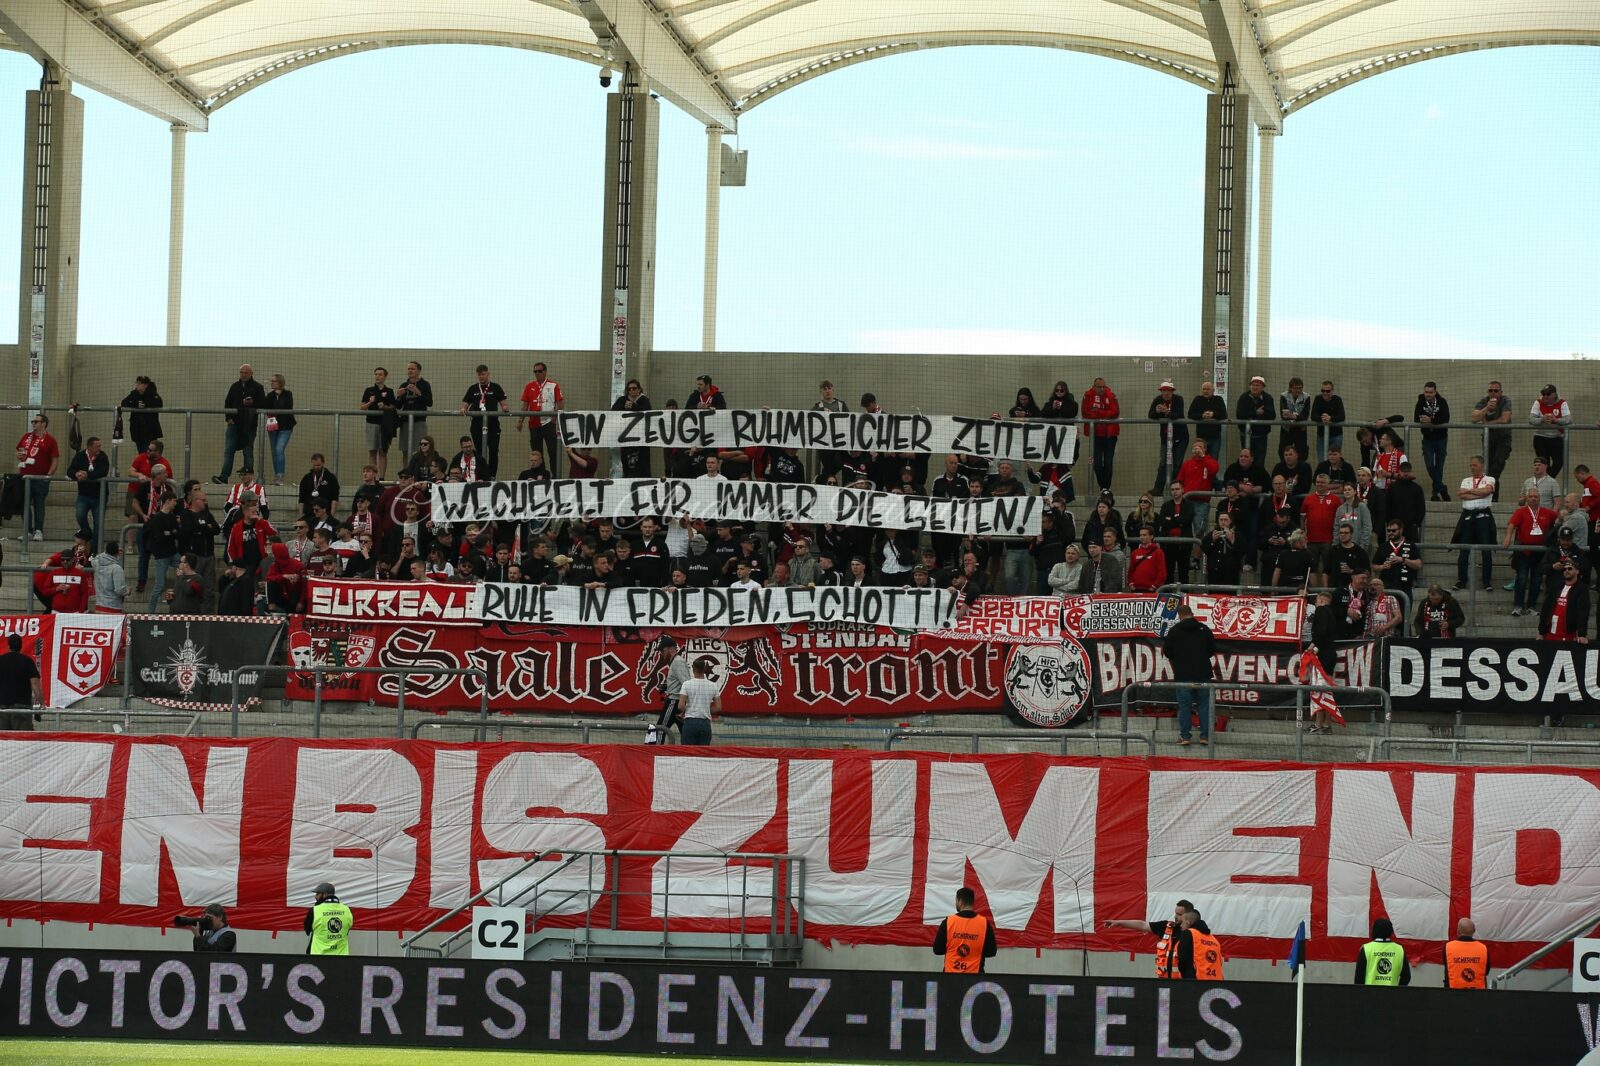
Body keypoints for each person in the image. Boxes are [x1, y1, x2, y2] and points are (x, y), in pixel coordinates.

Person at [1162, 605, 1216, 745]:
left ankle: (1185, 737)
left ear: (1179, 615)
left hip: (1183, 675)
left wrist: (1180, 659)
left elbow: (1167, 651)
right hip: (1203, 673)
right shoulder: (1204, 629)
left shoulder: (1174, 631)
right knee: (1204, 706)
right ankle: (1205, 737)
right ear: (1192, 613)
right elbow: (1212, 649)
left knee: (1185, 707)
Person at [1104, 899, 1193, 979]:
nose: (1176, 916)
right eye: (1175, 913)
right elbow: (1143, 925)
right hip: (1163, 983)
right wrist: (1118, 922)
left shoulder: (1194, 934)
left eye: (1179, 914)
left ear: (1188, 916)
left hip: (1184, 984)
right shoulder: (1166, 927)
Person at [214, 364, 266, 484]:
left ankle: (248, 478)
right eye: (242, 372)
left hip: (249, 425)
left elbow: (263, 403)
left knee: (247, 451)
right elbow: (227, 402)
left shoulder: (258, 387)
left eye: (246, 372)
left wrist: (252, 403)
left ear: (251, 373)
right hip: (234, 424)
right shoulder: (234, 386)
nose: (243, 374)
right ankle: (223, 477)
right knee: (228, 450)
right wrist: (228, 418)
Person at [13, 413, 60, 540]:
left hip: (40, 479)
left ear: (43, 424)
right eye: (32, 421)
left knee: (39, 504)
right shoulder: (26, 436)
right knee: (25, 504)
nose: (33, 423)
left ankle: (39, 530)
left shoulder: (50, 440)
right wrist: (19, 455)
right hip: (25, 477)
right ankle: (27, 531)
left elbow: (55, 460)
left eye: (36, 421)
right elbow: (19, 451)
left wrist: (48, 476)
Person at [458, 364, 509, 479]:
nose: (481, 377)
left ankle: (491, 475)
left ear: (488, 374)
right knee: (480, 452)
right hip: (477, 425)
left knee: (493, 450)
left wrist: (505, 408)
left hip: (493, 425)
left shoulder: (496, 387)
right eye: (479, 375)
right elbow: (465, 404)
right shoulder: (473, 389)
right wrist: (463, 409)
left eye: (483, 374)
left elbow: (504, 403)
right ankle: (481, 474)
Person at [1455, 455, 1497, 591]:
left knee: (1486, 550)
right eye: (1471, 465)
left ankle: (1487, 582)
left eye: (1475, 465)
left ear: (1482, 465)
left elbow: (1487, 491)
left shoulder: (1489, 479)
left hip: (1483, 517)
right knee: (1463, 551)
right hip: (1467, 518)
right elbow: (1462, 495)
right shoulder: (1466, 480)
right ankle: (1461, 581)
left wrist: (1471, 492)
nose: (1472, 467)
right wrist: (1478, 493)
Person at [932, 886, 997, 974]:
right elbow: (991, 952)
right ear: (972, 902)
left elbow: (938, 950)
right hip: (975, 979)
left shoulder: (948, 922)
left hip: (950, 976)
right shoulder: (984, 923)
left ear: (960, 901)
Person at [1470, 380, 1514, 496]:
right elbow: (1474, 418)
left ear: (1501, 392)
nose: (1493, 393)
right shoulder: (1484, 402)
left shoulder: (1505, 401)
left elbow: (1505, 419)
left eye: (1496, 390)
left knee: (1497, 467)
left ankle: (1492, 497)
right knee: (1488, 470)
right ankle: (1492, 498)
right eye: (1491, 390)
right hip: (1488, 440)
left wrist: (1487, 423)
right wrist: (1486, 409)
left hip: (1503, 439)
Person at [67, 436, 111, 548]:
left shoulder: (103, 456)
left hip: (99, 495)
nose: (99, 448)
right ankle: (88, 534)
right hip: (84, 495)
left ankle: (95, 548)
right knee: (80, 515)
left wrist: (87, 474)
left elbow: (103, 471)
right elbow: (70, 470)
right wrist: (76, 474)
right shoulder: (80, 456)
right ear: (89, 447)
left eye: (100, 446)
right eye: (97, 446)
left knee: (98, 522)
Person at [1081, 378, 1120, 493]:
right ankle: (1103, 487)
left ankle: (1105, 489)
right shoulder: (1088, 395)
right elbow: (1085, 413)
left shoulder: (1111, 395)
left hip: (1110, 435)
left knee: (1108, 463)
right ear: (1094, 386)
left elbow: (1115, 412)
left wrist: (1097, 412)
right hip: (1096, 436)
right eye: (1099, 387)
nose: (1102, 389)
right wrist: (1104, 414)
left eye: (1103, 386)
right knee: (1096, 464)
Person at [1148, 380, 1187, 493]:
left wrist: (1166, 412)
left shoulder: (1178, 399)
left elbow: (1178, 414)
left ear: (1172, 392)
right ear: (1161, 392)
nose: (1166, 393)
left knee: (1177, 464)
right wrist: (1156, 410)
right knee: (1163, 463)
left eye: (1168, 391)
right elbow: (1150, 415)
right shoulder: (1158, 400)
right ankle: (1158, 488)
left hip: (1181, 436)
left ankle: (1173, 489)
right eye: (1164, 391)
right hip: (1166, 437)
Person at [360, 366, 398, 481]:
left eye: (380, 374)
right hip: (371, 423)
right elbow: (362, 407)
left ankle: (381, 478)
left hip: (384, 424)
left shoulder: (389, 391)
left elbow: (393, 406)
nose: (377, 376)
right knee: (372, 451)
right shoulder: (369, 390)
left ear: (385, 377)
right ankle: (372, 476)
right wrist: (370, 402)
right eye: (376, 374)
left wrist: (385, 407)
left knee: (383, 451)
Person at [1414, 382, 1451, 500]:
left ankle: (1435, 493)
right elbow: (1416, 418)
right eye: (1426, 392)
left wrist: (1431, 420)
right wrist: (1422, 419)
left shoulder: (1442, 402)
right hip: (1428, 439)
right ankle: (1442, 488)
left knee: (1439, 467)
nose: (1428, 395)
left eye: (1430, 392)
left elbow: (1445, 418)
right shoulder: (1421, 402)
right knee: (1430, 465)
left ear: (1435, 392)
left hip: (1441, 439)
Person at [1539, 560, 1590, 644]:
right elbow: (1545, 609)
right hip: (1549, 636)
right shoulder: (1556, 586)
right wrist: (1541, 632)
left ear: (1577, 571)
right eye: (1564, 569)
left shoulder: (1582, 589)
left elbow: (1583, 612)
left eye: (1570, 569)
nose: (1566, 571)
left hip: (1568, 638)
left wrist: (1582, 634)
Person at [611, 379, 653, 478]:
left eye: (634, 388)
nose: (632, 390)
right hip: (626, 438)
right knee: (627, 463)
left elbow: (647, 412)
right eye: (629, 389)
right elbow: (613, 411)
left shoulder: (644, 400)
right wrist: (624, 407)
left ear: (639, 390)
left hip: (641, 439)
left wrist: (634, 406)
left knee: (642, 463)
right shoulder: (622, 399)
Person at [0, 634, 42, 731]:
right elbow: (35, 685)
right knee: (23, 742)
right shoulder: (27, 662)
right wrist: (42, 703)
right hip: (22, 709)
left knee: (2, 741)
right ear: (21, 646)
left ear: (8, 646)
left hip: (1, 708)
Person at [1529, 383, 1571, 476]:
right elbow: (1531, 419)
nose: (1545, 396)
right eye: (1544, 394)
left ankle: (1546, 481)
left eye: (1548, 394)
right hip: (1540, 437)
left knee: (1559, 463)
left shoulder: (1562, 403)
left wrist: (1556, 420)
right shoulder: (1538, 402)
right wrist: (1542, 419)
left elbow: (1568, 419)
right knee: (1543, 464)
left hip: (1557, 437)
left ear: (1554, 394)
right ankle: (1546, 483)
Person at [1355, 917, 1411, 986]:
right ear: (1391, 931)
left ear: (1374, 931)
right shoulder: (1399, 949)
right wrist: (1397, 992)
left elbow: (1358, 979)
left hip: (1369, 994)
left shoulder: (1366, 948)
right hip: (1391, 995)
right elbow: (1406, 977)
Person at [263, 372, 296, 485]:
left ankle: (280, 476)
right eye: (271, 381)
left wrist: (275, 401)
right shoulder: (270, 395)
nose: (272, 383)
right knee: (274, 452)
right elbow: (266, 407)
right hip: (273, 427)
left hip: (285, 427)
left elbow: (286, 406)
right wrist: (267, 394)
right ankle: (277, 475)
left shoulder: (287, 394)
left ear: (280, 382)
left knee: (279, 449)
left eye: (274, 381)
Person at [678, 659, 720, 746]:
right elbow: (718, 707)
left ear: (693, 669)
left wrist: (690, 708)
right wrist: (705, 709)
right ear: (704, 669)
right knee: (702, 755)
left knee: (687, 753)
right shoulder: (713, 685)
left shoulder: (686, 684)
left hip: (690, 722)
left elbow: (680, 706)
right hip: (705, 723)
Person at [120, 375, 165, 454]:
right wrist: (135, 405)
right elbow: (124, 402)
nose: (137, 385)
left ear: (145, 385)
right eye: (136, 383)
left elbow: (159, 403)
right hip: (138, 430)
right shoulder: (134, 394)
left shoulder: (152, 394)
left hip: (150, 430)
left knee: (149, 453)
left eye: (139, 383)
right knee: (141, 453)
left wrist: (146, 405)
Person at [305, 882, 353, 956]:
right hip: (342, 958)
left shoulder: (315, 910)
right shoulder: (346, 910)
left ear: (325, 894)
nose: (315, 897)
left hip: (318, 958)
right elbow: (347, 929)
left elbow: (307, 930)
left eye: (318, 894)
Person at [1176, 908, 1224, 981]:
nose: (1181, 925)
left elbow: (1182, 959)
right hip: (1216, 982)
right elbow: (1220, 962)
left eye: (1182, 922)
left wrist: (1186, 979)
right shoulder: (1214, 939)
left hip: (1196, 983)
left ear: (1188, 922)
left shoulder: (1188, 933)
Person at [1443, 917, 1490, 989]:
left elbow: (1447, 969)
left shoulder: (1448, 947)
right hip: (1479, 995)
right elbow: (1486, 971)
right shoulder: (1483, 948)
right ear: (1474, 931)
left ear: (1458, 931)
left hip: (1453, 994)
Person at [1235, 375, 1274, 458]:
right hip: (1245, 434)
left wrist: (1250, 415)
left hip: (1261, 436)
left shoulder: (1268, 398)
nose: (1255, 387)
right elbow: (1239, 414)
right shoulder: (1243, 397)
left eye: (1258, 385)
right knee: (1245, 459)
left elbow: (1272, 415)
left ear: (1263, 387)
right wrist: (1256, 413)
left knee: (1259, 461)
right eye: (1253, 385)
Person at [1188, 380, 1228, 459]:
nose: (1206, 391)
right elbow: (1190, 414)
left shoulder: (1219, 399)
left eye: (1208, 389)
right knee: (1199, 459)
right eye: (1204, 389)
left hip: (1215, 437)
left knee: (1213, 460)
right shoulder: (1197, 399)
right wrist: (1202, 416)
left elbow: (1224, 415)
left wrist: (1213, 414)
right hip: (1201, 437)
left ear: (1213, 391)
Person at [1309, 380, 1345, 461]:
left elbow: (1342, 416)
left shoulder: (1337, 400)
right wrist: (1323, 418)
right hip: (1321, 435)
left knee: (1335, 459)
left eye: (1327, 391)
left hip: (1336, 435)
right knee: (1322, 460)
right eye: (1323, 391)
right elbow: (1313, 415)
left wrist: (1330, 418)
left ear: (1332, 391)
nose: (1325, 393)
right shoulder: (1318, 399)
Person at [1279, 377, 1310, 460]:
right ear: (1290, 388)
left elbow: (1305, 415)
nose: (1298, 390)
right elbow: (1284, 415)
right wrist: (1297, 417)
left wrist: (1293, 416)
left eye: (1300, 388)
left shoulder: (1306, 397)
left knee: (1302, 454)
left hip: (1301, 429)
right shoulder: (1284, 396)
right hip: (1287, 429)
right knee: (1283, 452)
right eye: (1296, 388)